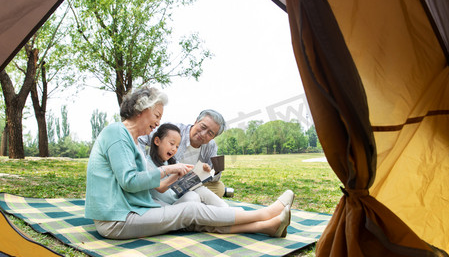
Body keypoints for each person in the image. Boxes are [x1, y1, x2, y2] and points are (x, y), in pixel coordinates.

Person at [85, 86, 294, 240]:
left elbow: (147, 183)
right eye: (156, 115)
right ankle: (265, 214)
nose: (158, 123)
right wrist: (169, 168)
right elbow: (129, 181)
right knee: (190, 212)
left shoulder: (131, 140)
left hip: (134, 208)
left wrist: (188, 173)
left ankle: (269, 225)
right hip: (117, 218)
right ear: (141, 109)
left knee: (191, 213)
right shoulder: (117, 132)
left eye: (211, 133)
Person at [139, 109, 233, 198]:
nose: (203, 134)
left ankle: (187, 198)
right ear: (196, 121)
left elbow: (213, 177)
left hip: (187, 183)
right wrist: (144, 167)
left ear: (213, 137)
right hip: (163, 176)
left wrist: (214, 171)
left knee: (219, 188)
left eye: (210, 133)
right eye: (203, 127)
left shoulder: (211, 146)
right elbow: (141, 139)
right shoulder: (174, 130)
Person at [145, 122, 228, 207]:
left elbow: (187, 174)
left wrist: (201, 171)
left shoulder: (171, 161)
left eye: (177, 146)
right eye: (172, 144)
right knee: (193, 197)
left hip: (177, 199)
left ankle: (226, 210)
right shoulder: (147, 163)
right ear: (157, 141)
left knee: (198, 190)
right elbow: (160, 188)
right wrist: (177, 173)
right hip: (166, 206)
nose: (174, 149)